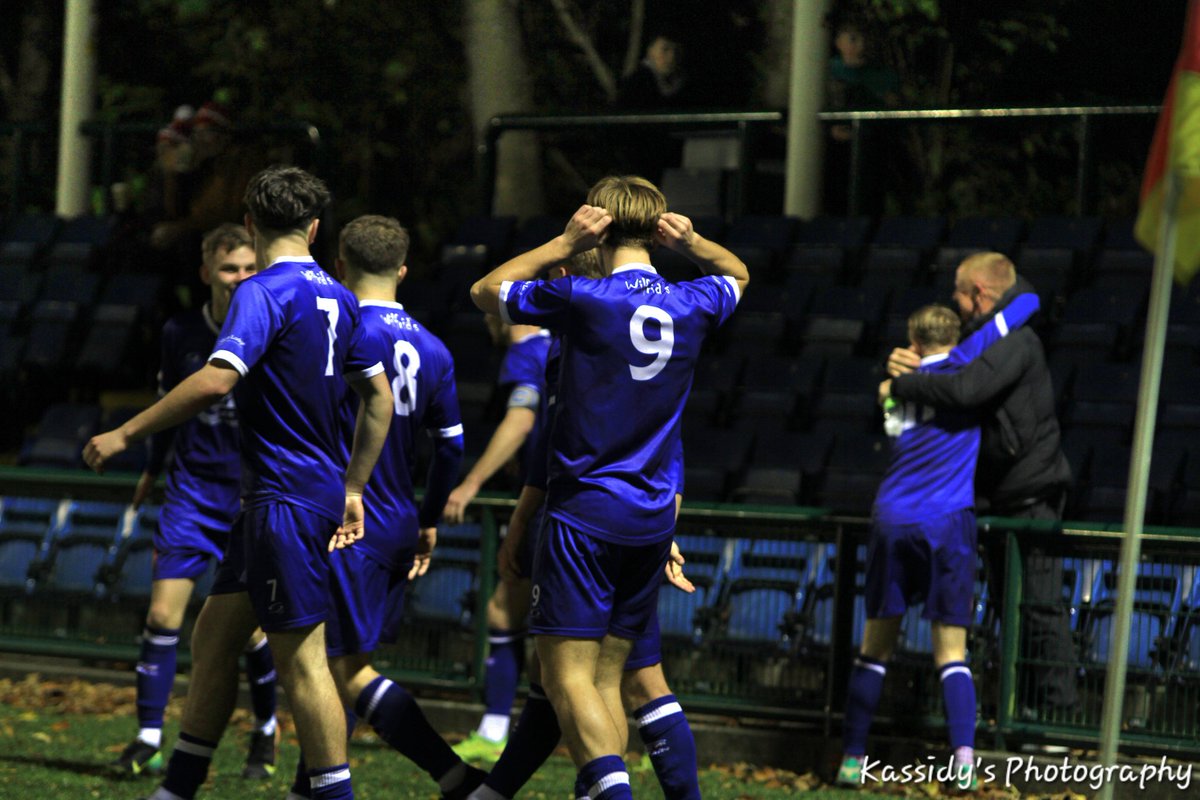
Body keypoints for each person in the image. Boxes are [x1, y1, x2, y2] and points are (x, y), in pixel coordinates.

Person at [84, 165, 394, 800]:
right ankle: (178, 787)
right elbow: (380, 400)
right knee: (214, 634)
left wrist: (125, 433)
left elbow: (216, 379)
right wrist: (355, 486)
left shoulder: (263, 290)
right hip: (286, 499)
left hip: (284, 499)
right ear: (314, 227)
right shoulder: (340, 295)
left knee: (304, 664)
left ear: (251, 226)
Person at [470, 175, 748, 800]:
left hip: (587, 512)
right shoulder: (695, 300)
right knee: (611, 678)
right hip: (650, 515)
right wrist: (696, 242)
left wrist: (559, 242)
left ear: (596, 223)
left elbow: (484, 291)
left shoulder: (584, 301)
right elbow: (739, 275)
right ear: (657, 227)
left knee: (564, 676)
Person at [284, 214, 484, 800]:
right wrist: (426, 519)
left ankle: (456, 779)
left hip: (349, 519)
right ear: (403, 268)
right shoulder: (435, 347)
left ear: (339, 266)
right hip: (396, 520)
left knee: (340, 672)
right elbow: (451, 450)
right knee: (338, 666)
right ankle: (309, 791)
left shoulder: (341, 332)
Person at [839, 295, 1039, 791]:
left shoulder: (893, 386)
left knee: (874, 647)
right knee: (951, 650)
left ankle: (850, 758)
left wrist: (894, 373)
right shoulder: (966, 365)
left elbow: (886, 407)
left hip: (892, 519)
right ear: (956, 338)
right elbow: (1029, 302)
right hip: (947, 522)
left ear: (912, 342)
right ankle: (965, 762)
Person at [113, 224, 279, 780]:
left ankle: (265, 731)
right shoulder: (181, 332)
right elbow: (167, 404)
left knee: (250, 631)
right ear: (207, 272)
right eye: (230, 268)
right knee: (162, 614)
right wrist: (152, 469)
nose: (240, 278)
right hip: (190, 490)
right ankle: (147, 737)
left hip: (248, 496)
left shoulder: (272, 325)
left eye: (249, 268)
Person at [884, 252, 1077, 723]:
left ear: (980, 295)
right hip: (1004, 495)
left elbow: (967, 391)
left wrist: (905, 384)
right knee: (1015, 609)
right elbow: (952, 376)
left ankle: (1059, 716)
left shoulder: (1016, 341)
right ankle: (1021, 709)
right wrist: (909, 363)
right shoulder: (986, 338)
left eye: (958, 290)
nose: (952, 298)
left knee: (1038, 607)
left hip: (1031, 496)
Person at [823, 12, 901, 215]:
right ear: (838, 41)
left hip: (872, 152)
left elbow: (893, 113)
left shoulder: (883, 76)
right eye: (852, 38)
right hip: (833, 154)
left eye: (864, 38)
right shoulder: (825, 71)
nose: (860, 45)